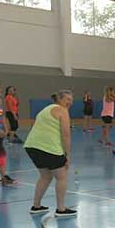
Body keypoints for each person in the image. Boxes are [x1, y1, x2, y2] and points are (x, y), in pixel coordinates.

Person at [25, 90, 76, 218]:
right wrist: (67, 155)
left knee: (45, 176)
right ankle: (61, 209)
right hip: (49, 148)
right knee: (61, 176)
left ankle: (36, 206)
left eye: (71, 100)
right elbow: (66, 134)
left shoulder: (46, 109)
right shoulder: (62, 110)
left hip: (32, 147)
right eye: (67, 99)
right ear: (59, 99)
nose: (70, 102)